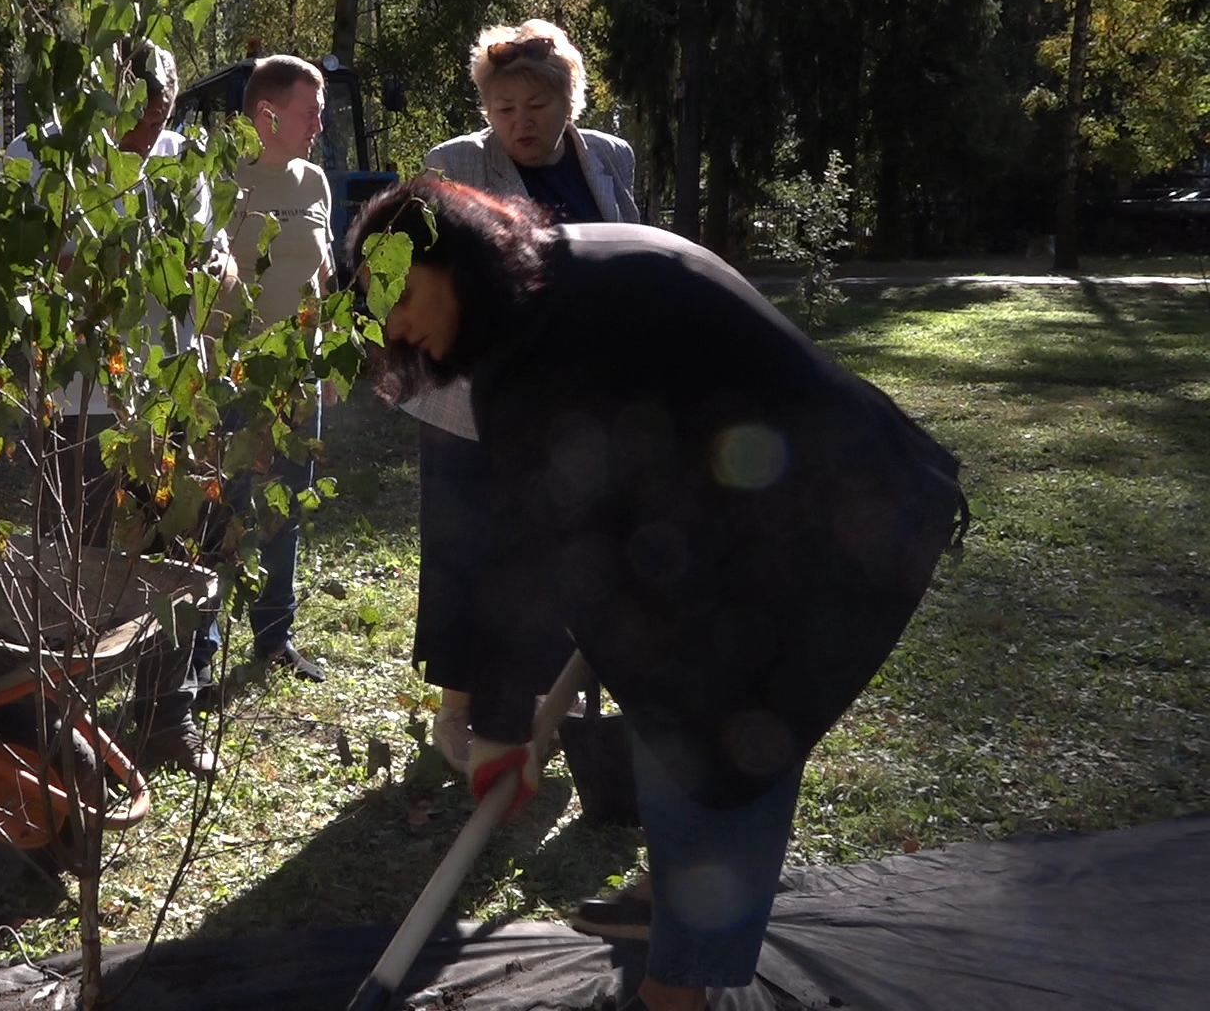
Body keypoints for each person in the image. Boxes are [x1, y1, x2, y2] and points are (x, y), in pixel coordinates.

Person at [352, 177, 964, 1011]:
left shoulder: (542, 351)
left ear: (455, 262)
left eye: (407, 297)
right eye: (382, 311)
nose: (398, 328)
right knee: (666, 686)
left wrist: (499, 728)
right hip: (779, 508)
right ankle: (677, 908)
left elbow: (528, 556)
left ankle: (676, 991)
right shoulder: (565, 270)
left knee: (725, 739)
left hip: (836, 527)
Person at [412, 20, 638, 778]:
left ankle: (548, 698)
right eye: (503, 108)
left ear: (570, 98)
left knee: (556, 547)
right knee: (462, 548)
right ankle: (456, 710)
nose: (521, 124)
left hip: (575, 402)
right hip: (471, 401)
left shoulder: (608, 157)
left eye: (537, 105)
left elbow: (626, 252)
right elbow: (419, 276)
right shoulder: (453, 163)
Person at [13, 38, 234, 779]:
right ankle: (58, 725)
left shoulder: (182, 159)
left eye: (160, 116)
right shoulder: (40, 155)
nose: (146, 135)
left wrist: (217, 264)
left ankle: (165, 715)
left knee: (181, 551)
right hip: (83, 403)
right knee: (77, 562)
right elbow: (20, 268)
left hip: (172, 395)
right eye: (135, 119)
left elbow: (207, 255)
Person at [211, 53, 339, 684]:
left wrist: (334, 354)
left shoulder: (314, 180)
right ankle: (201, 651)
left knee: (284, 503)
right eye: (310, 111)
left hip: (296, 374)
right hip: (229, 375)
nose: (320, 121)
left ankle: (273, 638)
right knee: (224, 511)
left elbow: (324, 273)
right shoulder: (216, 180)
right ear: (267, 115)